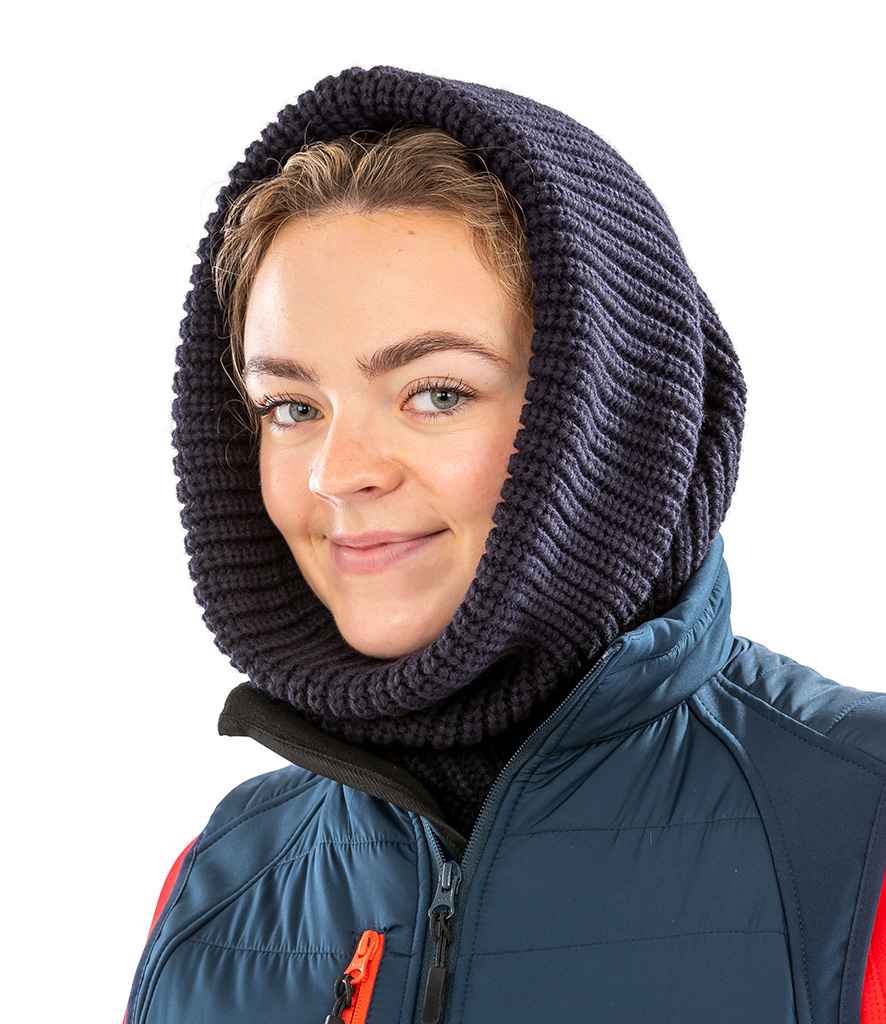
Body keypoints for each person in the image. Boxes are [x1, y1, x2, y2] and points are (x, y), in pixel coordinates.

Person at [122, 64, 886, 1023]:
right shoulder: (219, 889)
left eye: (436, 393)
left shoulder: (861, 830)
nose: (337, 473)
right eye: (292, 406)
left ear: (614, 418)